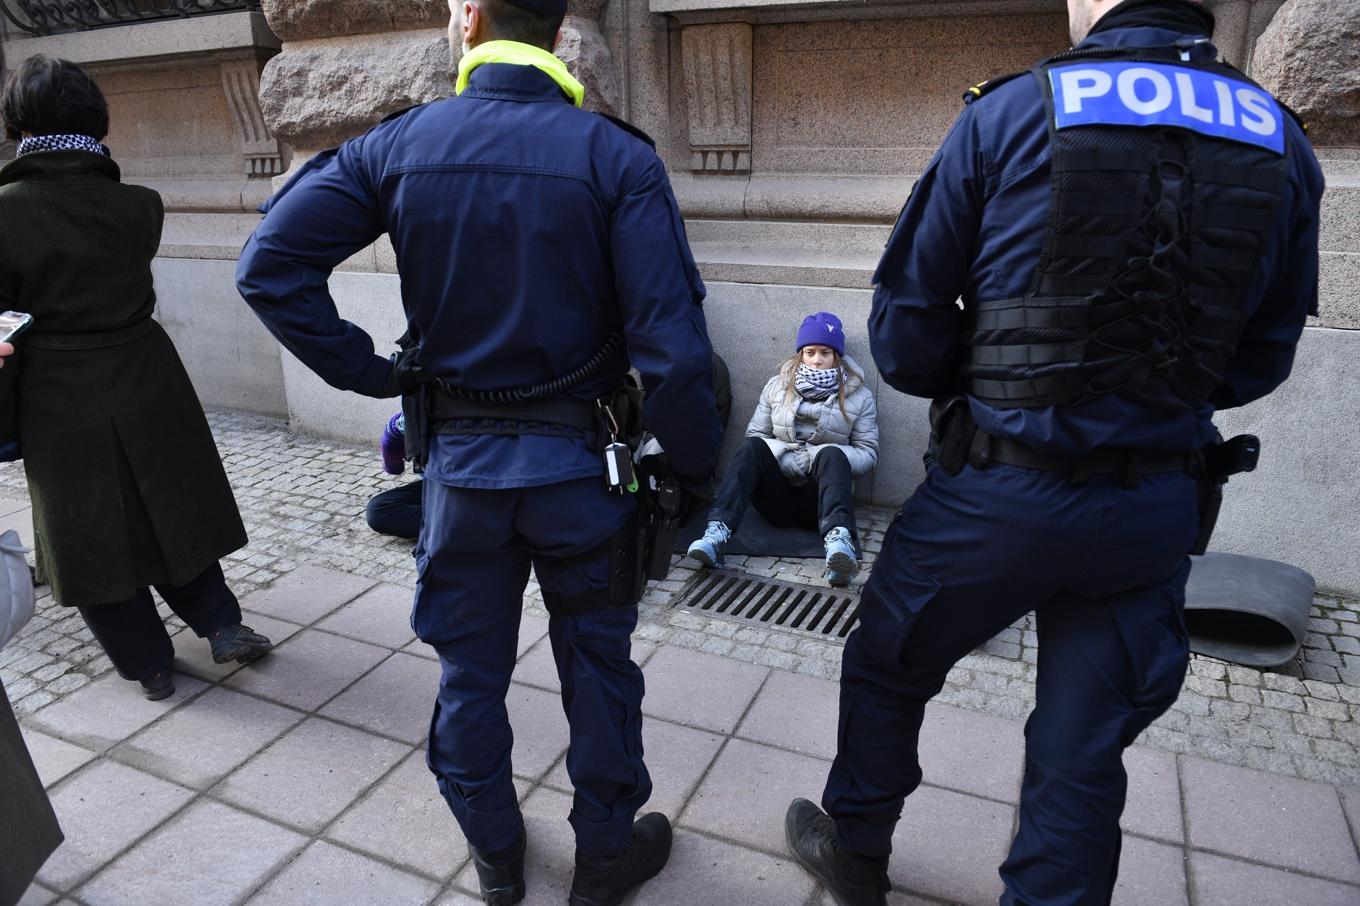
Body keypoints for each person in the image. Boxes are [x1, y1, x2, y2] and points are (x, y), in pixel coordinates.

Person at [783, 1, 1324, 903]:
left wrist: (1016, 383)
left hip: (997, 493)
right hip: (1154, 503)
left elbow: (908, 341)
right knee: (1083, 749)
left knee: (887, 664)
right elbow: (1263, 357)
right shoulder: (1283, 140)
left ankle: (858, 854)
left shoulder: (1012, 111)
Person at [234, 0, 721, 902]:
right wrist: (693, 474)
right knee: (601, 671)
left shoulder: (398, 144)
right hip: (587, 477)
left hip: (462, 479)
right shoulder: (616, 155)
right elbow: (678, 351)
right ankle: (605, 856)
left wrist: (373, 376)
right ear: (562, 31)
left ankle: (495, 852)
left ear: (467, 21)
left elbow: (268, 266)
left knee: (470, 675)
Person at [0, 56, 272, 703]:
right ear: (98, 117)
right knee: (173, 506)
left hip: (56, 389)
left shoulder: (4, 214)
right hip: (147, 374)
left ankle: (150, 666)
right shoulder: (139, 206)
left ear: (16, 123)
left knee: (86, 531)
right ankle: (222, 623)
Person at [687, 312, 878, 586]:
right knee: (750, 447)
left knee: (833, 453)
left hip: (822, 501)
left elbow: (868, 453)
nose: (817, 359)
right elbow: (756, 434)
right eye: (810, 351)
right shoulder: (777, 386)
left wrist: (814, 456)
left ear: (837, 355)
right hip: (775, 497)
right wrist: (784, 456)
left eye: (825, 352)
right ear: (800, 353)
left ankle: (838, 546)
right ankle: (716, 534)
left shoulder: (860, 396)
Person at [365, 412, 424, 540]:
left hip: (470, 488)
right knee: (378, 510)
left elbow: (393, 466)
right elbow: (392, 464)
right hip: (437, 486)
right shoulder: (407, 420)